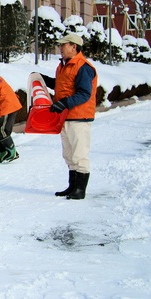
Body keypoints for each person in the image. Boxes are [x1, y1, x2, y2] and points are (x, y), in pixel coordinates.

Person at [40, 33, 97, 200]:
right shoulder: (65, 65)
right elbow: (61, 85)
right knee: (69, 154)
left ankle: (80, 190)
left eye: (63, 45)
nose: (60, 48)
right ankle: (72, 187)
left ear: (74, 46)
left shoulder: (83, 67)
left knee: (80, 154)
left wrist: (64, 103)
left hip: (79, 118)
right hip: (65, 117)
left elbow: (84, 94)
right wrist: (43, 79)